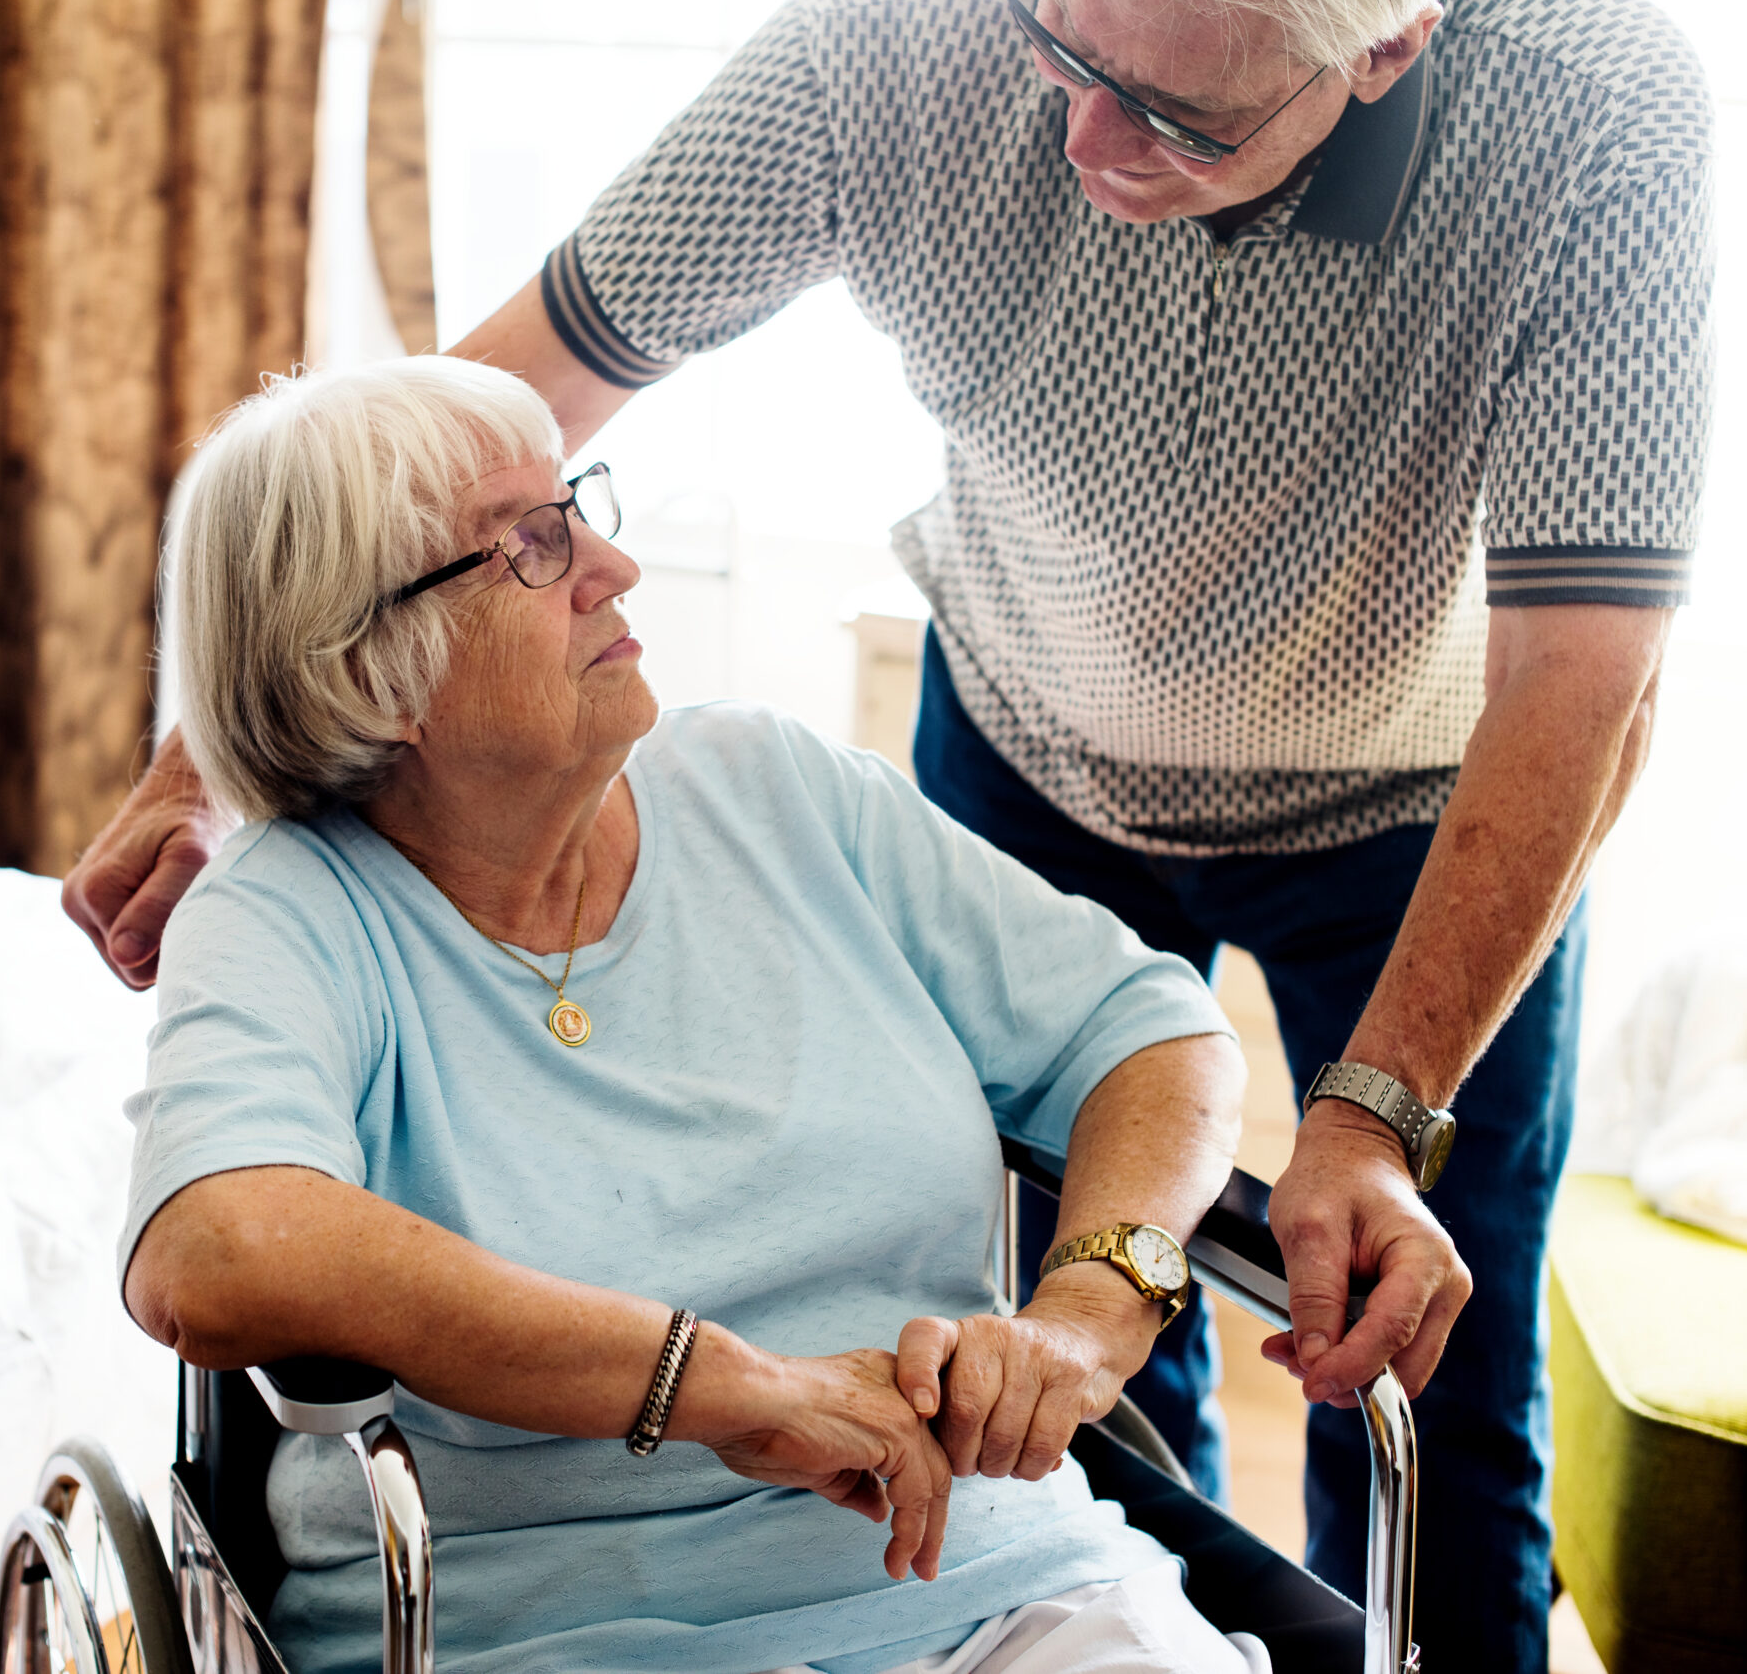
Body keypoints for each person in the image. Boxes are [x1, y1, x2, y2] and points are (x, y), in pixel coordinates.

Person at [76, 0, 1707, 1664]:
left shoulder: (1585, 108)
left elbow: (1584, 673)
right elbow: (481, 414)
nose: (1083, 135)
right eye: (1063, 50)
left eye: (1175, 113)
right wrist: (227, 743)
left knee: (1436, 1391)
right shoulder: (896, 39)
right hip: (1027, 729)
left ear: (1384, 52)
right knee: (1115, 1403)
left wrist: (1136, 1282)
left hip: (1417, 799)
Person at [119, 355, 1373, 1672]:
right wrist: (725, 1388)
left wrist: (1090, 1305)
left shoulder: (776, 789)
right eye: (531, 548)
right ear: (373, 674)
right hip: (554, 1636)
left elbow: (1148, 1026)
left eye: (577, 507)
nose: (614, 568)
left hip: (1013, 1590)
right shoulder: (288, 913)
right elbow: (212, 1246)